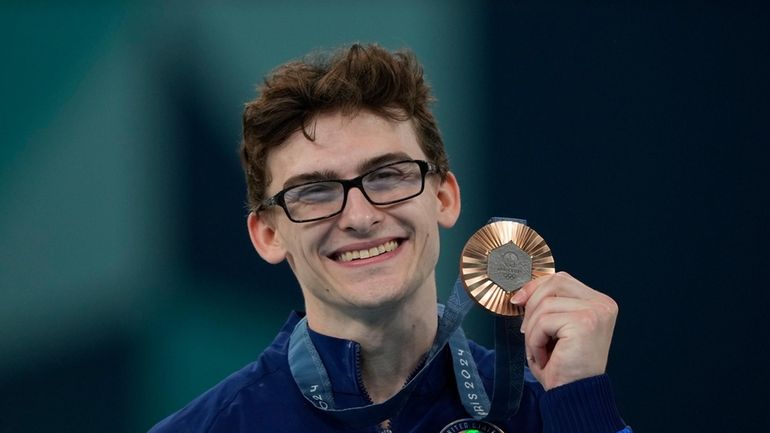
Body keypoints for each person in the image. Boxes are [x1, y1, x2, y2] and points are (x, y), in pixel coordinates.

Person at [149, 43, 631, 433]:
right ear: (269, 235)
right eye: (314, 192)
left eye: (388, 176)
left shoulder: (550, 409)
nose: (359, 216)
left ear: (443, 198)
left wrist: (579, 403)